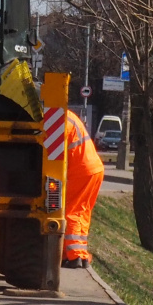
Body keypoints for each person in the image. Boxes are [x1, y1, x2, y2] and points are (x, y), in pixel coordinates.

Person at [62, 110, 104, 269]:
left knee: (71, 211)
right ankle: (79, 254)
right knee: (82, 212)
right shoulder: (69, 116)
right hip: (94, 169)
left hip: (81, 171)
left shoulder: (60, 118)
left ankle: (74, 256)